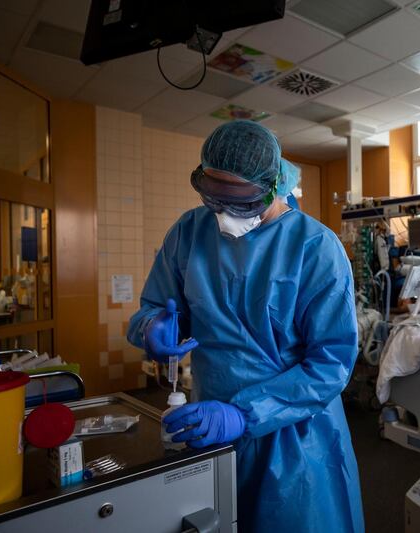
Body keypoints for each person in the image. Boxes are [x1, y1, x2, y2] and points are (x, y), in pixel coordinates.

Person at [127, 120, 364, 532]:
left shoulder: (315, 249)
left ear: (273, 188)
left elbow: (330, 364)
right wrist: (153, 329)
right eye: (213, 198)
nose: (222, 214)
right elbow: (153, 306)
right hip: (209, 426)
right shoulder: (189, 231)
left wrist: (244, 413)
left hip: (293, 438)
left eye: (239, 200)